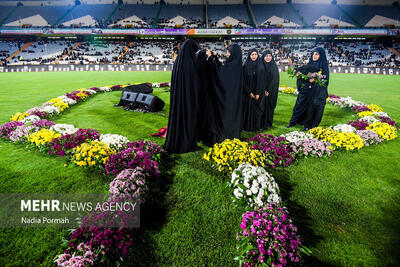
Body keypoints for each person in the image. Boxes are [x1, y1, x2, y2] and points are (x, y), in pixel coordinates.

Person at [164, 39, 201, 154]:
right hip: (188, 100)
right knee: (189, 119)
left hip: (178, 100)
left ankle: (179, 140)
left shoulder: (178, 63)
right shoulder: (190, 63)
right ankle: (187, 143)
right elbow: (194, 84)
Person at [206, 43, 244, 142]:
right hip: (233, 98)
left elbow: (219, 74)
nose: (227, 54)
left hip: (228, 99)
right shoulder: (235, 64)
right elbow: (222, 69)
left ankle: (226, 135)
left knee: (227, 118)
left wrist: (210, 58)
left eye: (228, 52)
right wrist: (215, 58)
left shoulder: (232, 66)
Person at [302, 47, 330, 131]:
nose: (314, 56)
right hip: (310, 92)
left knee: (318, 111)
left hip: (320, 93)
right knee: (309, 110)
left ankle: (314, 127)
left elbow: (326, 78)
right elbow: (304, 76)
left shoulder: (323, 65)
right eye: (313, 54)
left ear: (321, 55)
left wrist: (316, 78)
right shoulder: (309, 64)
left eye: (317, 54)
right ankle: (307, 126)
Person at [242, 49, 264, 132]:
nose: (254, 56)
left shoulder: (260, 66)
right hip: (247, 93)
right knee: (247, 110)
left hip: (257, 93)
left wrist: (258, 93)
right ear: (249, 55)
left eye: (255, 54)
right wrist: (249, 92)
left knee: (256, 111)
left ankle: (255, 127)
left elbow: (261, 81)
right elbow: (243, 80)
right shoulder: (245, 66)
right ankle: (246, 127)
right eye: (252, 54)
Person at [260, 50, 280, 129]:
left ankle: (267, 123)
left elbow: (275, 80)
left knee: (269, 108)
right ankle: (260, 123)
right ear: (263, 57)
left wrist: (268, 90)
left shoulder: (274, 67)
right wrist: (263, 90)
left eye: (269, 56)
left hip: (271, 92)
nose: (268, 58)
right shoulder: (260, 65)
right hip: (261, 91)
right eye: (266, 56)